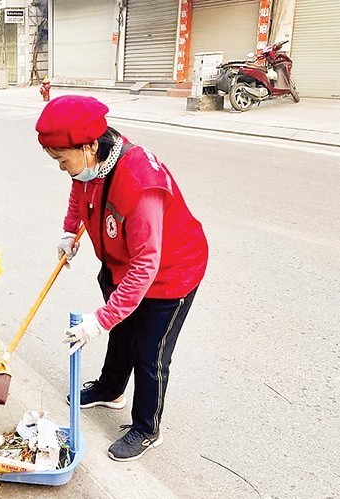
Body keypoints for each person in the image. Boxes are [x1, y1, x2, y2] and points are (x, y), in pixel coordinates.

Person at [35, 95, 208, 462]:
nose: (62, 168)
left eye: (62, 159)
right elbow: (77, 191)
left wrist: (99, 319)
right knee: (123, 332)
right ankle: (111, 389)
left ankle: (147, 428)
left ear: (89, 146)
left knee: (151, 352)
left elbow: (147, 263)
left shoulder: (138, 180)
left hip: (171, 274)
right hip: (119, 264)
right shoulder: (91, 165)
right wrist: (70, 231)